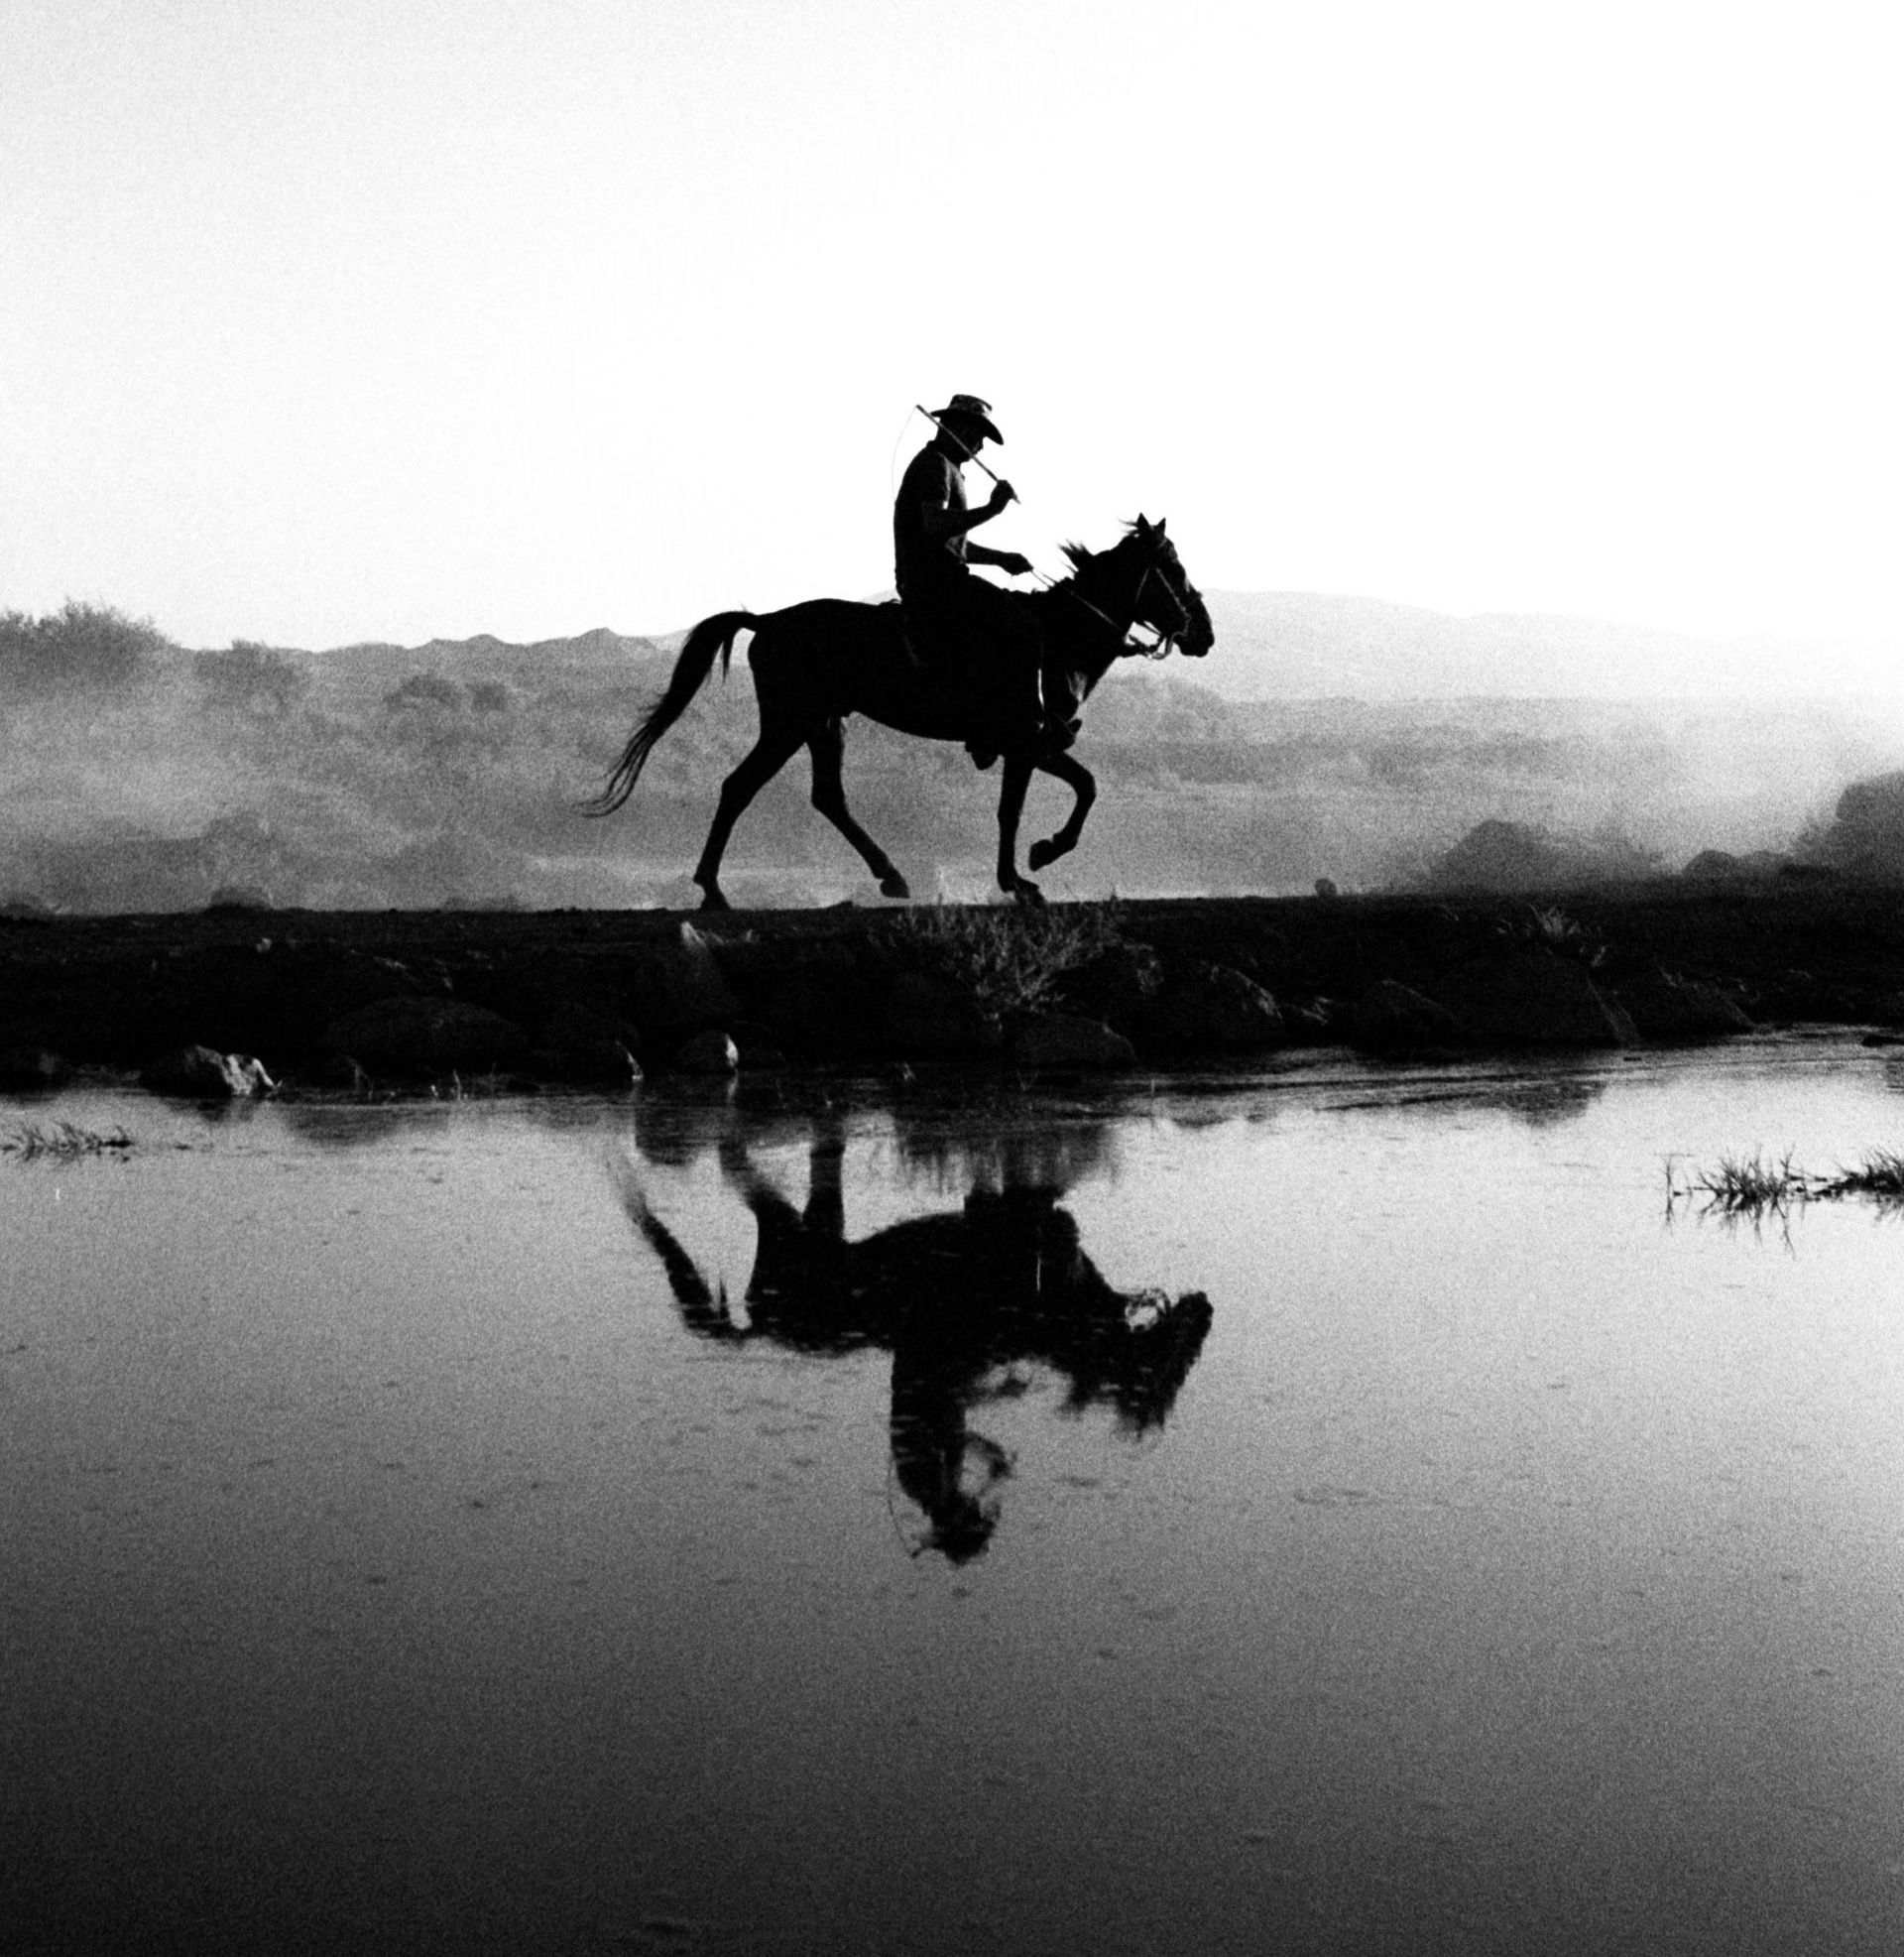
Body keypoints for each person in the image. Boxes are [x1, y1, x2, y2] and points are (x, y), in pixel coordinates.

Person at [892, 394, 1068, 763]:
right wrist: (993, 509)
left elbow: (952, 544)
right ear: (956, 428)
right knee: (1027, 627)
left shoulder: (949, 468)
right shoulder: (935, 465)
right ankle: (1029, 723)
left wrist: (1001, 559)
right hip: (935, 586)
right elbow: (935, 525)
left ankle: (992, 722)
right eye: (978, 434)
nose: (981, 445)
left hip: (942, 579)